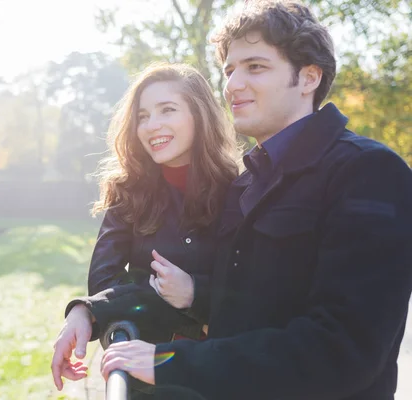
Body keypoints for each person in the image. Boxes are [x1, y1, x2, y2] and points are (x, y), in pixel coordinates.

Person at [53, 1, 412, 399]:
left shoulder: (368, 172)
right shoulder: (248, 185)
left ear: (309, 77)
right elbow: (225, 305)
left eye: (255, 66)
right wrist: (88, 311)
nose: (233, 84)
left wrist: (172, 361)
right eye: (229, 70)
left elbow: (343, 351)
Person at [51, 63, 239, 396]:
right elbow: (104, 282)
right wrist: (86, 309)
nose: (152, 125)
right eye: (143, 116)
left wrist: (195, 292)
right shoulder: (127, 192)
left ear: (199, 115)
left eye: (168, 110)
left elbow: (250, 288)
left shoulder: (238, 190)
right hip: (144, 373)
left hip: (218, 373)